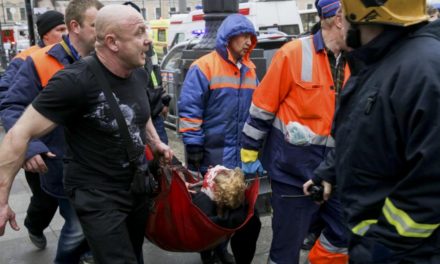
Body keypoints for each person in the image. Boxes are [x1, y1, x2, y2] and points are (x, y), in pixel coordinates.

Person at [0, 4, 173, 264]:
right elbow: (18, 134)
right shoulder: (74, 81)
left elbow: (141, 111)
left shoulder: (137, 70)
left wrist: (156, 141)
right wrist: (2, 201)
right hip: (97, 194)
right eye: (139, 32)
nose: (148, 39)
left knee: (135, 254)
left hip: (136, 187)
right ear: (112, 42)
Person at [304, 0, 440, 263]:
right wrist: (330, 172)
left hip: (405, 253)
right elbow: (367, 134)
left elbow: (430, 184)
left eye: (344, 9)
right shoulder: (380, 62)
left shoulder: (423, 71)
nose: (339, 18)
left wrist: (381, 245)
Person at [240, 0, 350, 263]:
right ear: (339, 18)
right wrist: (248, 158)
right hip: (292, 176)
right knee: (285, 250)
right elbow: (261, 109)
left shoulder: (355, 60)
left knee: (345, 236)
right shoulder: (292, 53)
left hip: (336, 175)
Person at [0, 0, 104, 263]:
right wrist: (31, 148)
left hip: (102, 167)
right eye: (96, 25)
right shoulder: (36, 62)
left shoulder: (107, 57)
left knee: (96, 225)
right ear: (74, 27)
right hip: (63, 166)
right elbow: (13, 106)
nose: (103, 31)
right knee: (76, 225)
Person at [178, 13, 261, 264]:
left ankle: (229, 255)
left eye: (251, 37)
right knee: (212, 215)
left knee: (246, 220)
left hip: (240, 159)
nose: (248, 42)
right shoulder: (204, 66)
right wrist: (193, 146)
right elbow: (190, 109)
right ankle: (212, 255)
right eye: (243, 36)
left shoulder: (250, 71)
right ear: (228, 37)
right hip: (212, 158)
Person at [0, 10, 66, 251]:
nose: (65, 34)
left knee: (77, 212)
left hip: (71, 150)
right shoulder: (26, 59)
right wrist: (28, 145)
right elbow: (8, 100)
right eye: (60, 30)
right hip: (39, 146)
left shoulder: (75, 55)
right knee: (46, 199)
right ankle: (34, 224)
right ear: (46, 34)